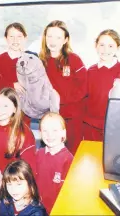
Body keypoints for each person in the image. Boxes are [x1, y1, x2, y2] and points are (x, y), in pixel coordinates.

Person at [39, 20, 87, 155]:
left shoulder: (74, 59)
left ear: (65, 40)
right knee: (52, 152)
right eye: (49, 36)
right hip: (50, 116)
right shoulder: (40, 61)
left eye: (58, 37)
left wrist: (60, 100)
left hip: (72, 116)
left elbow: (83, 88)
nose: (53, 41)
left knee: (73, 153)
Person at [83, 29, 120, 141]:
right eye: (102, 45)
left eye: (110, 46)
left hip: (115, 126)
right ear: (96, 46)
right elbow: (84, 97)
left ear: (117, 48)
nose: (105, 50)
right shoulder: (90, 71)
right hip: (91, 126)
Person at [0, 87, 37, 173]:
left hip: (12, 182)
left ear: (15, 109)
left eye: (6, 106)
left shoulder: (23, 133)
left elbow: (28, 168)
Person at [0, 22, 32, 126]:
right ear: (5, 39)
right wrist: (12, 85)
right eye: (11, 36)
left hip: (24, 111)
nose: (15, 40)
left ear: (25, 38)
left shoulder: (31, 61)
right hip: (3, 112)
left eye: (19, 36)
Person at [35, 112, 73, 213]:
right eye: (45, 130)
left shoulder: (68, 160)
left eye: (55, 130)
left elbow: (67, 194)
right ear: (40, 133)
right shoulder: (38, 154)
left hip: (56, 210)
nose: (50, 135)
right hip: (37, 208)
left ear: (63, 133)